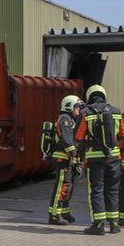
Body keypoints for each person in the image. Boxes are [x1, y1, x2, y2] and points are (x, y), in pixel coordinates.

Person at [75, 85, 124, 235]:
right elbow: (123, 134)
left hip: (94, 158)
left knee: (96, 190)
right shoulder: (116, 111)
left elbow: (79, 137)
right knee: (112, 190)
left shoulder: (86, 113)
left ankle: (98, 225)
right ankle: (114, 224)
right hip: (114, 157)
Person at [48, 95, 82, 225]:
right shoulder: (65, 119)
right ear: (70, 106)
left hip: (68, 159)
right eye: (77, 107)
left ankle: (64, 211)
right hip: (63, 159)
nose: (78, 110)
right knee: (61, 186)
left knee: (68, 186)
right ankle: (54, 215)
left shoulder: (69, 120)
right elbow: (67, 140)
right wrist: (74, 154)